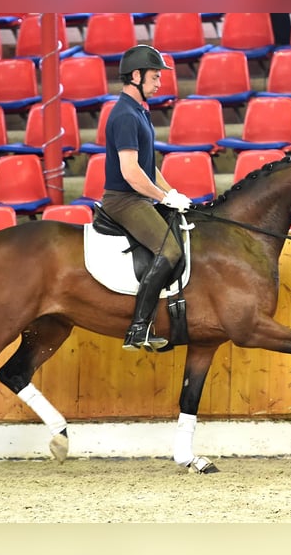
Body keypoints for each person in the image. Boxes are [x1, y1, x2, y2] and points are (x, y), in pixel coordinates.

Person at [101, 44, 193, 352]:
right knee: (170, 251)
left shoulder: (139, 111)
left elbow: (147, 167)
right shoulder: (125, 115)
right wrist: (163, 199)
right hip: (125, 200)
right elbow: (130, 172)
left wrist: (171, 193)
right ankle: (138, 328)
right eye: (155, 76)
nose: (159, 82)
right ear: (137, 76)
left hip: (139, 196)